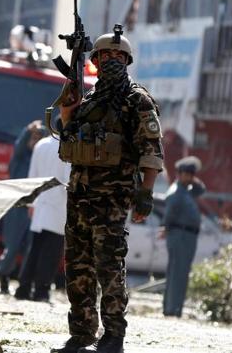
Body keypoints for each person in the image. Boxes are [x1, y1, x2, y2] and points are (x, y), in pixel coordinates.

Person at [52, 26, 163, 353]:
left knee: (109, 268)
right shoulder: (88, 101)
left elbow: (152, 149)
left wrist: (146, 191)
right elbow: (68, 136)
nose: (112, 60)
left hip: (112, 201)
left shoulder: (137, 100)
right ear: (95, 61)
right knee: (77, 268)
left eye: (119, 56)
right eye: (106, 56)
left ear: (127, 61)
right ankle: (82, 333)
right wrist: (67, 110)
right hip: (80, 198)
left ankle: (114, 335)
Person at [14, 134, 70, 302]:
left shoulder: (41, 144)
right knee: (51, 252)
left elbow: (33, 175)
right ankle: (41, 291)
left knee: (34, 249)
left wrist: (31, 203)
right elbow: (69, 180)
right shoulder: (69, 146)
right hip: (59, 206)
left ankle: (23, 287)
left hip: (40, 204)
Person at [0, 120, 46, 294]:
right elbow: (19, 147)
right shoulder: (20, 158)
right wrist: (27, 130)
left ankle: (24, 283)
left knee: (30, 249)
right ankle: (4, 276)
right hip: (18, 207)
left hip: (36, 208)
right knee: (12, 246)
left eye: (39, 137)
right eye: (33, 137)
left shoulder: (42, 159)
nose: (35, 141)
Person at [160, 156, 206, 317]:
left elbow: (202, 190)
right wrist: (166, 228)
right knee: (177, 273)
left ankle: (174, 308)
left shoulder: (187, 190)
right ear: (179, 174)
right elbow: (169, 216)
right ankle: (172, 310)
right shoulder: (176, 192)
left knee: (181, 272)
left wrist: (193, 181)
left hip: (188, 236)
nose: (190, 177)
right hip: (179, 234)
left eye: (192, 174)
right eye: (187, 173)